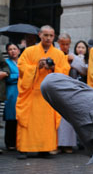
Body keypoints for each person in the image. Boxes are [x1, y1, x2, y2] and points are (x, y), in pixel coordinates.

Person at [16, 25, 70, 159]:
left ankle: (45, 149)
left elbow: (64, 71)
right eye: (45, 35)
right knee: (28, 122)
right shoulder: (29, 51)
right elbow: (21, 67)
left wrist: (53, 68)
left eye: (51, 36)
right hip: (32, 93)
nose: (48, 38)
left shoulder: (58, 54)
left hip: (49, 95)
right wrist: (36, 67)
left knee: (47, 124)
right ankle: (24, 149)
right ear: (40, 35)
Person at [57, 33, 78, 154]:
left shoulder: (73, 56)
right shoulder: (54, 54)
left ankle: (68, 144)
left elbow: (84, 70)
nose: (65, 46)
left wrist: (73, 61)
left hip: (70, 90)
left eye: (67, 44)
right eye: (62, 44)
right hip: (57, 90)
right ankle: (57, 144)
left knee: (69, 120)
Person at [3, 43, 20, 151]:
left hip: (22, 91)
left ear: (18, 50)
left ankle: (19, 141)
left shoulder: (22, 61)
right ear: (7, 52)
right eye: (10, 49)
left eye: (14, 49)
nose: (13, 51)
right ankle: (10, 142)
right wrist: (20, 75)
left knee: (20, 117)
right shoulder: (6, 63)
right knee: (11, 117)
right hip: (11, 90)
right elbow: (7, 77)